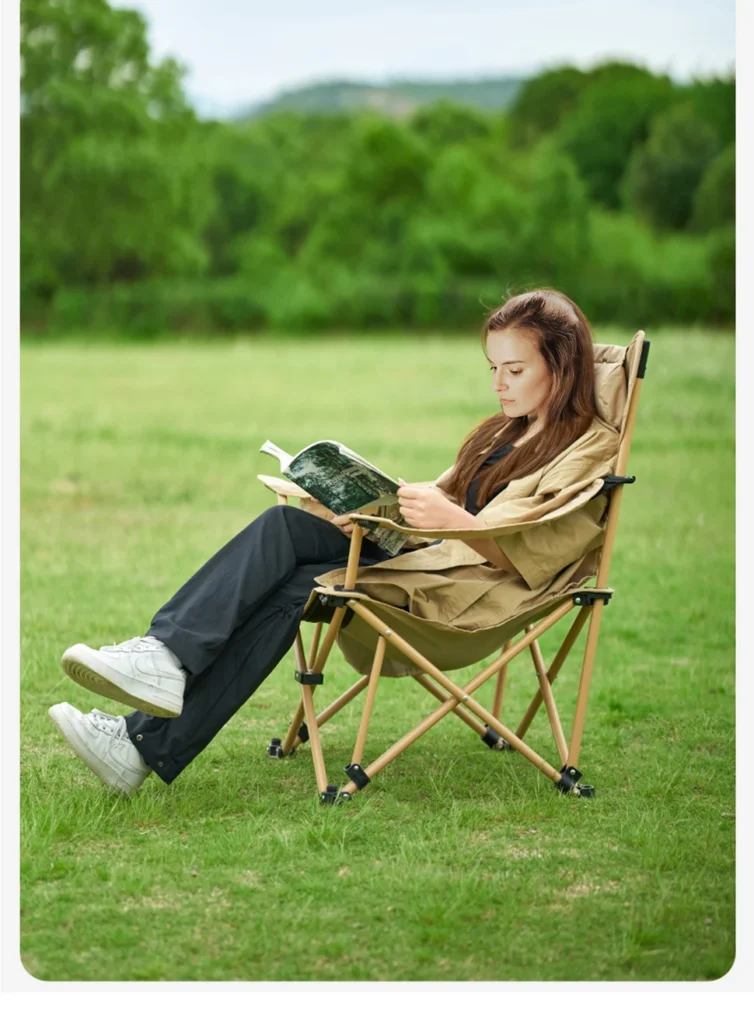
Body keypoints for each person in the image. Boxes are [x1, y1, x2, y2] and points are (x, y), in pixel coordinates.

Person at [48, 288, 620, 796]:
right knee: (285, 529)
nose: (498, 384)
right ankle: (160, 668)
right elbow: (438, 500)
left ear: (562, 368)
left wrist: (450, 520)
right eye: (493, 368)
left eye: (514, 370)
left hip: (465, 593)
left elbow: (539, 548)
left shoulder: (588, 447)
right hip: (423, 555)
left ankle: (143, 731)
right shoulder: (501, 432)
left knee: (295, 587)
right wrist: (369, 511)